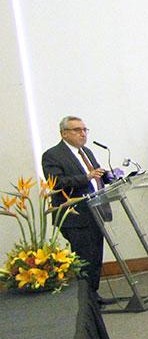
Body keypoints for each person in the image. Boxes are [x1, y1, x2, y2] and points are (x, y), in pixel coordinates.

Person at [41, 116, 112, 294]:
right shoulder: (52, 155)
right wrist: (86, 177)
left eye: (84, 130)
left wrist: (110, 176)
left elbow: (96, 174)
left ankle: (93, 296)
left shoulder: (86, 151)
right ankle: (87, 300)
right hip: (75, 217)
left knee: (95, 258)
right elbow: (56, 183)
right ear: (64, 134)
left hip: (95, 212)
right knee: (84, 260)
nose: (82, 134)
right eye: (77, 130)